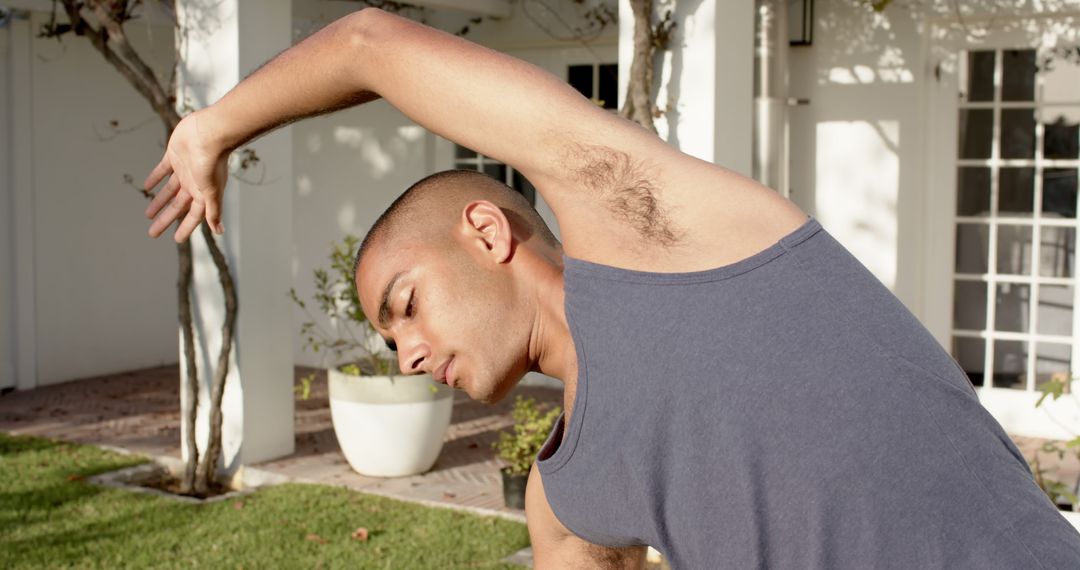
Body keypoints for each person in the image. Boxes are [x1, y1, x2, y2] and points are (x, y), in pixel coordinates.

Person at [143, 8, 1080, 569]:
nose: (409, 355)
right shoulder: (567, 499)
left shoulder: (655, 230)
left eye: (407, 306)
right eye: (392, 344)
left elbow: (367, 44)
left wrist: (212, 128)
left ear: (487, 232)